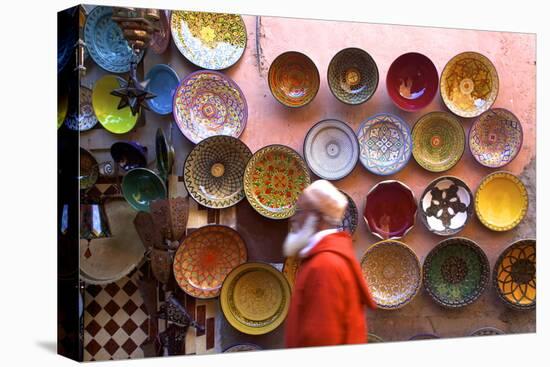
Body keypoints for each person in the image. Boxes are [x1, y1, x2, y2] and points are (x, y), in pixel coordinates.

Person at [284, 180, 377, 348]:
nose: (294, 218)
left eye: (300, 211)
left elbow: (322, 341)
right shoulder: (323, 258)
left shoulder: (324, 266)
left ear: (317, 217)